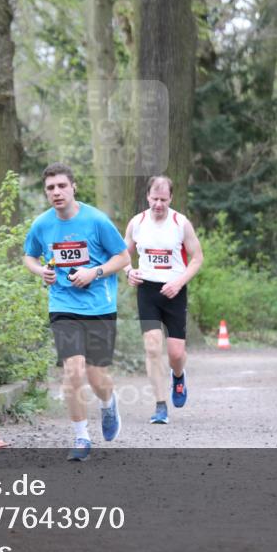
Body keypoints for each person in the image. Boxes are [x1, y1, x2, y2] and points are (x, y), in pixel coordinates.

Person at [23, 163, 131, 461]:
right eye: (50, 188)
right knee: (72, 372)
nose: (56, 192)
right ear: (46, 193)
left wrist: (94, 272)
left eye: (61, 186)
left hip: (99, 305)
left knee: (97, 377)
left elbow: (122, 257)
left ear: (73, 187)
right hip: (63, 306)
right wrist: (40, 270)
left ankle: (109, 404)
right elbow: (29, 256)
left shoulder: (96, 220)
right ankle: (81, 437)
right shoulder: (42, 225)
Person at [123, 176, 204, 424]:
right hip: (147, 291)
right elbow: (122, 254)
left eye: (163, 200)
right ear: (147, 197)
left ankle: (178, 376)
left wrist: (179, 282)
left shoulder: (181, 223)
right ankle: (160, 405)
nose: (158, 204)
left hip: (174, 292)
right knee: (151, 346)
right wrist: (129, 271)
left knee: (175, 353)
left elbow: (197, 258)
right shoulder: (137, 223)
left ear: (171, 198)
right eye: (154, 199)